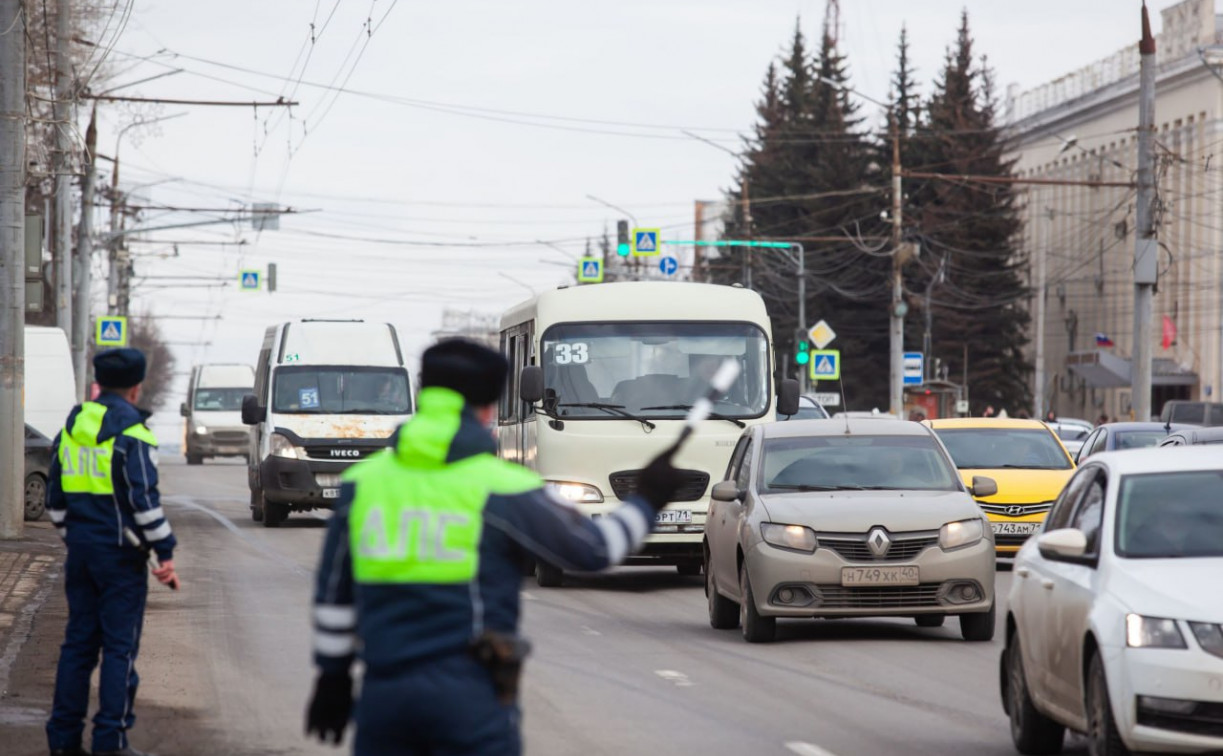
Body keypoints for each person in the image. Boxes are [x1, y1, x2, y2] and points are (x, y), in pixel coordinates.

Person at [305, 339, 684, 755]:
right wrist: (647, 500)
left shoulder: (364, 483)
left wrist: (332, 679)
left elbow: (333, 594)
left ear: (424, 394)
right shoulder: (503, 487)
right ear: (487, 409)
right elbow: (596, 550)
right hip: (470, 701)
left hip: (384, 702)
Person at [45, 348, 179, 756]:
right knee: (119, 649)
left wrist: (78, 537)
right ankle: (110, 741)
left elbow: (55, 503)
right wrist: (164, 551)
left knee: (78, 646)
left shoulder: (70, 429)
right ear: (136, 388)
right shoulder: (134, 434)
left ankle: (63, 741)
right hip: (121, 560)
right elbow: (145, 504)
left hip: (81, 554)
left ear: (98, 383)